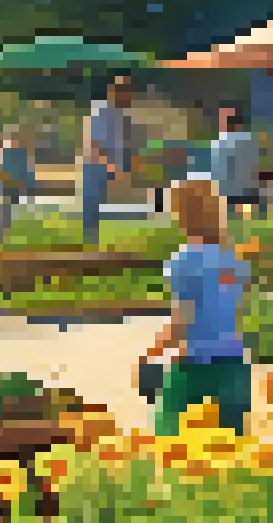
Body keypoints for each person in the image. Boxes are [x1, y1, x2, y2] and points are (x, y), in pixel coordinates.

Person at [140, 177, 253, 442]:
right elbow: (230, 310)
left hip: (195, 368)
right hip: (235, 368)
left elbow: (182, 321)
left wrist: (151, 354)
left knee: (168, 444)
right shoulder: (234, 259)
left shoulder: (184, 261)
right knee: (230, 452)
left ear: (182, 215)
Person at [80, 77, 134, 247]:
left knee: (117, 204)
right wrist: (109, 164)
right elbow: (94, 143)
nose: (128, 98)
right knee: (92, 205)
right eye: (125, 93)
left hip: (113, 166)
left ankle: (118, 242)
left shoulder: (122, 114)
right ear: (115, 93)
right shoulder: (101, 110)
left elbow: (123, 143)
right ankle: (90, 241)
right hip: (96, 166)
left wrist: (124, 167)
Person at [209, 107, 263, 222]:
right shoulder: (251, 140)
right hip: (249, 191)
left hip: (229, 193)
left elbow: (218, 171)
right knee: (248, 222)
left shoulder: (221, 142)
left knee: (232, 223)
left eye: (222, 119)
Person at [0, 127, 33, 246]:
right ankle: (0, 234)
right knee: (3, 209)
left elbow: (26, 171)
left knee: (8, 209)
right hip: (5, 186)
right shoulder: (5, 152)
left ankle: (3, 233)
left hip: (14, 186)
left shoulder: (21, 154)